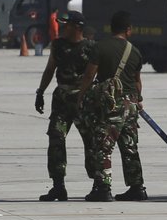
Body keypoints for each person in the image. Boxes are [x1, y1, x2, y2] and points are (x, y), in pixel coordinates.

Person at [77, 10, 146, 202]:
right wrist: (138, 100)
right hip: (131, 103)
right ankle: (137, 187)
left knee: (103, 145)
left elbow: (90, 75)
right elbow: (137, 80)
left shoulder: (100, 48)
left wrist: (81, 96)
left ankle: (102, 187)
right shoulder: (135, 51)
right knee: (130, 146)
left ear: (111, 28)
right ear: (128, 30)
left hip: (112, 104)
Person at [35, 10, 96, 201]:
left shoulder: (91, 48)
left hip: (83, 101)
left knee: (92, 142)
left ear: (76, 27)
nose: (61, 28)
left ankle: (99, 183)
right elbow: (50, 69)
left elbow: (96, 75)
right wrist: (40, 92)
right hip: (61, 100)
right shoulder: (58, 45)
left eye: (66, 25)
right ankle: (58, 185)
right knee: (56, 140)